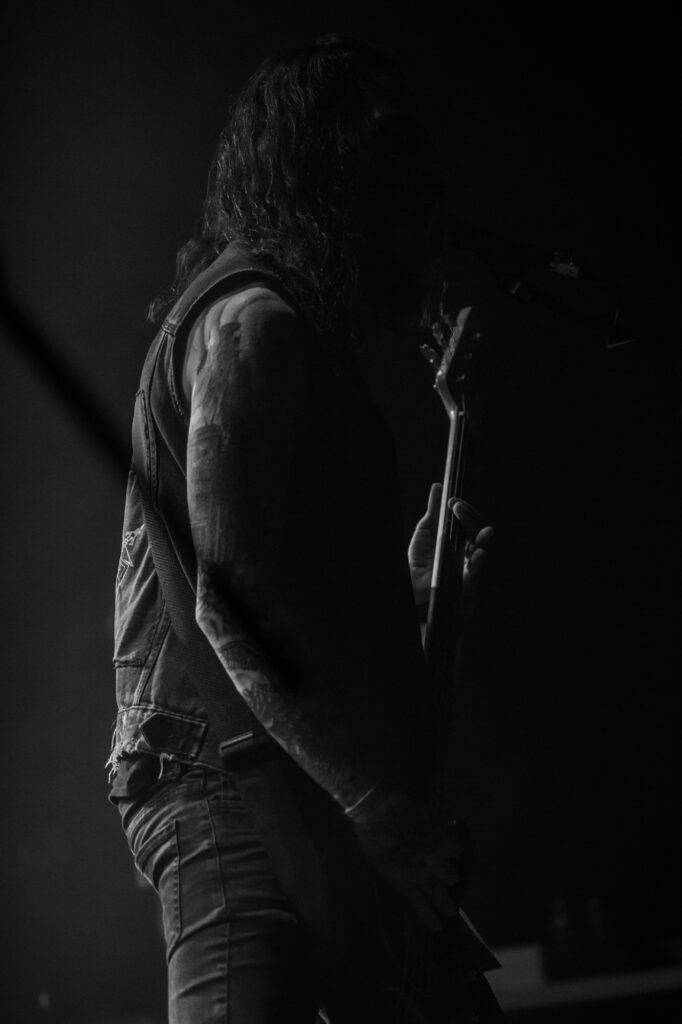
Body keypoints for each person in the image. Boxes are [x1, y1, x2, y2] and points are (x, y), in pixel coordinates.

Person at [108, 35, 502, 1023]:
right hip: (228, 786)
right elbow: (230, 600)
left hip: (293, 786)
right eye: (397, 169)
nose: (421, 205)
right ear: (339, 176)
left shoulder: (290, 335)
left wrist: (411, 595)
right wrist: (371, 804)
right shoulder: (255, 324)